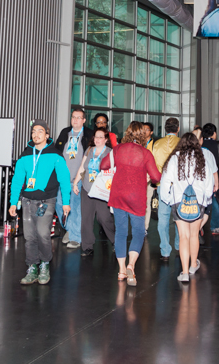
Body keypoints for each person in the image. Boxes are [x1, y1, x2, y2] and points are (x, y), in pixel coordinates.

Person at [9, 120, 71, 285]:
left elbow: (64, 179)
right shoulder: (25, 155)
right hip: (27, 201)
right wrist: (13, 202)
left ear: (47, 135)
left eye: (40, 131)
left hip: (46, 201)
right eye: (33, 131)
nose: (36, 135)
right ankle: (32, 266)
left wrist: (66, 202)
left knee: (43, 234)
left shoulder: (56, 155)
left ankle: (45, 264)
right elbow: (17, 180)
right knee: (29, 237)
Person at [101, 121, 161, 286]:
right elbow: (156, 177)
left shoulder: (118, 149)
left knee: (120, 232)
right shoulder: (145, 153)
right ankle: (131, 265)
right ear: (143, 135)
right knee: (139, 232)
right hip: (136, 197)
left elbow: (103, 165)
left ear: (127, 133)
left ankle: (121, 271)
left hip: (118, 195)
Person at [158, 128, 218, 282]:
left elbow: (165, 181)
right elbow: (209, 183)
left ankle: (184, 273)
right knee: (194, 235)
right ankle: (193, 265)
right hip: (198, 202)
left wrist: (166, 198)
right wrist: (207, 199)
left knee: (183, 236)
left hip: (178, 201)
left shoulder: (175, 158)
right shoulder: (202, 158)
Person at [54, 106, 95, 249]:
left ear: (84, 120)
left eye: (78, 117)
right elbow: (56, 153)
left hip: (79, 179)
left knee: (76, 208)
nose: (75, 120)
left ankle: (76, 237)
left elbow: (93, 156)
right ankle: (70, 230)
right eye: (73, 117)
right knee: (59, 205)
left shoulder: (89, 134)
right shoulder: (65, 132)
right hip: (62, 179)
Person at [74, 128, 115, 256]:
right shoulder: (89, 150)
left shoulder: (110, 153)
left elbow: (114, 172)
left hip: (102, 191)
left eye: (100, 137)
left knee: (104, 218)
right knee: (86, 218)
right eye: (95, 137)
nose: (97, 139)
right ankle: (87, 246)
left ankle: (115, 241)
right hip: (87, 188)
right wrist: (76, 182)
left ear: (106, 139)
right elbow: (82, 167)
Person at [147, 117, 182, 262]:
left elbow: (151, 164)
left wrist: (154, 181)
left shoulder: (156, 143)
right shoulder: (182, 143)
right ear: (178, 129)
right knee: (180, 218)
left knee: (163, 219)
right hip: (179, 187)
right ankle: (180, 247)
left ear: (165, 129)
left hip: (162, 185)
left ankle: (165, 251)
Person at [201, 123, 219, 234]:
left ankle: (199, 225)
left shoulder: (199, 145)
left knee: (201, 203)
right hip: (214, 178)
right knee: (216, 202)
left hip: (200, 179)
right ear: (214, 133)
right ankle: (215, 227)